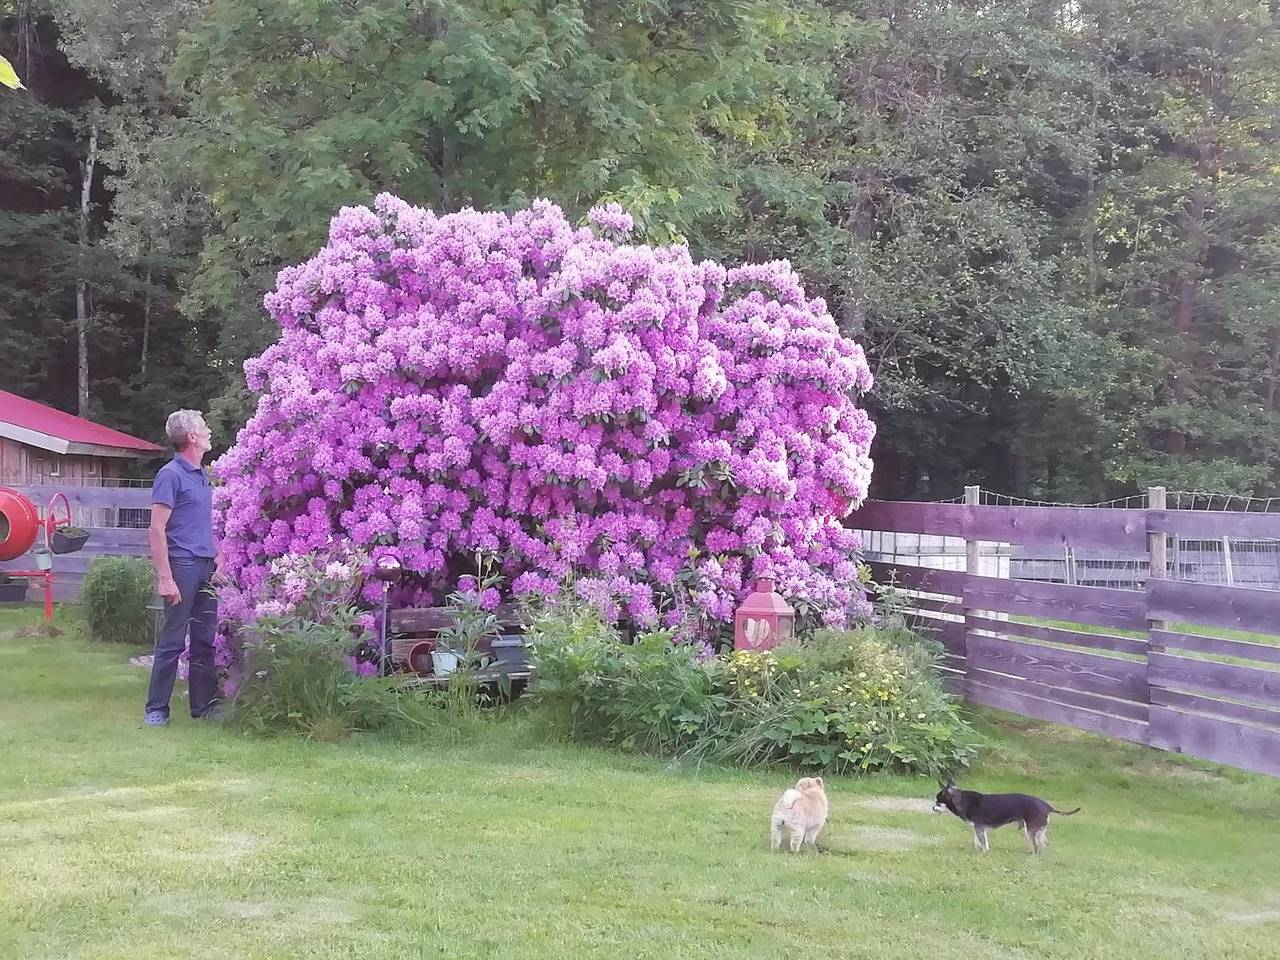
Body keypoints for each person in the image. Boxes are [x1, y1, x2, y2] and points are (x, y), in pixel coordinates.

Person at [143, 409, 223, 726]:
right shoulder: (170, 475)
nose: (209, 431)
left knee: (204, 639)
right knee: (173, 640)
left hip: (205, 566)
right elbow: (156, 529)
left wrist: (219, 554)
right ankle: (157, 710)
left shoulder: (203, 477)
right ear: (191, 437)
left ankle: (204, 708)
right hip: (182, 566)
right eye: (204, 428)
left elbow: (200, 524)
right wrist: (165, 578)